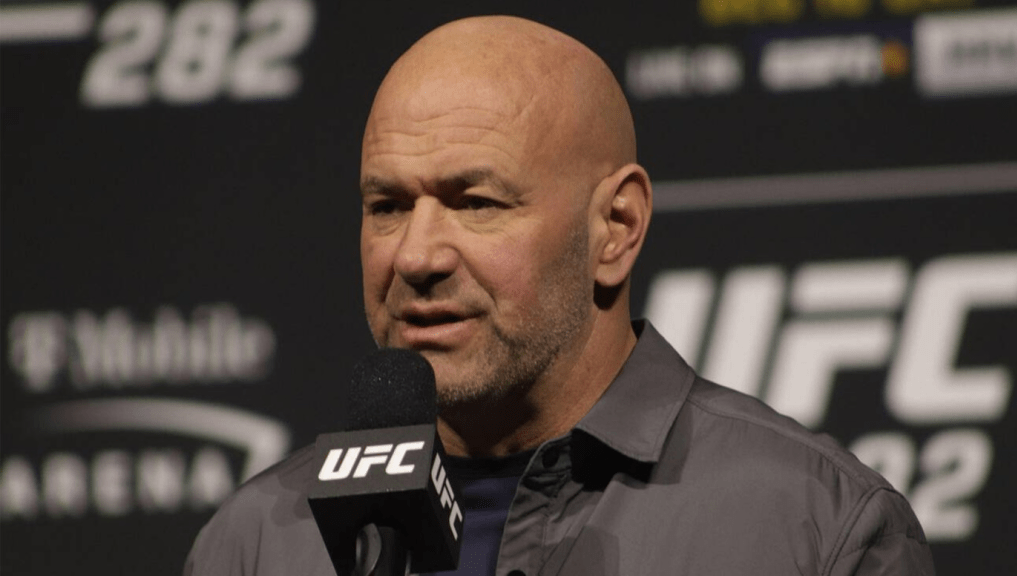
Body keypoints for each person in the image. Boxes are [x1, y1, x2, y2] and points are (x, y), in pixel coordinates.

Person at [184, 15, 935, 576]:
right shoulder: (256, 542)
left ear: (616, 228)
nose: (415, 256)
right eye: (387, 206)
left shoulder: (816, 527)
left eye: (476, 203)